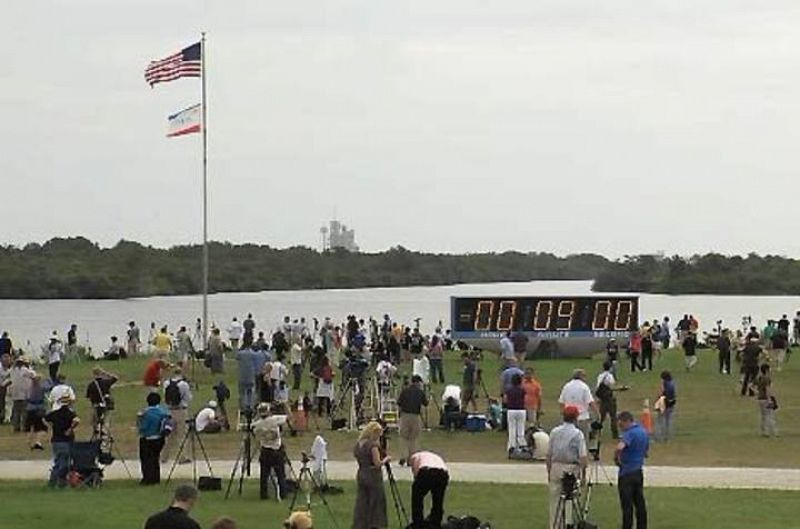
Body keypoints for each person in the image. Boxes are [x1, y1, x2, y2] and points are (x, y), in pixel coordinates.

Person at [546, 405, 588, 529]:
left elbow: (549, 454)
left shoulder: (554, 431)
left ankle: (555, 525)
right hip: (571, 468)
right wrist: (583, 475)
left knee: (555, 501)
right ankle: (569, 523)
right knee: (571, 499)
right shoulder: (577, 434)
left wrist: (549, 471)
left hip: (556, 466)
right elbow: (583, 457)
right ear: (576, 418)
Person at [352, 421, 389, 529]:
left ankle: (360, 524)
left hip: (362, 473)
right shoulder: (372, 446)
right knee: (376, 501)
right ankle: (375, 524)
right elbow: (377, 463)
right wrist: (386, 459)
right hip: (373, 475)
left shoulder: (359, 444)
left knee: (362, 501)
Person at [615, 411, 649, 529]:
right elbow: (646, 452)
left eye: (621, 425)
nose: (621, 428)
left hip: (626, 473)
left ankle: (627, 526)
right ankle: (642, 526)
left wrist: (617, 459)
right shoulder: (643, 431)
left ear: (627, 421)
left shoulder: (629, 434)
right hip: (638, 471)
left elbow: (620, 447)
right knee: (639, 502)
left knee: (627, 505)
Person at [251, 402, 290, 500]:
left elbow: (252, 429)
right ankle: (283, 494)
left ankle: (263, 495)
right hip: (276, 450)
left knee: (264, 476)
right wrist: (286, 406)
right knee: (280, 474)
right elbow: (288, 418)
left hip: (265, 451)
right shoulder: (275, 419)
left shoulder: (258, 424)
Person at [45, 394, 79, 487]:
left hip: (56, 440)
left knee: (58, 461)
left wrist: (50, 426)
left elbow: (45, 418)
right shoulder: (70, 413)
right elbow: (77, 420)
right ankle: (60, 482)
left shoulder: (55, 413)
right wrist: (70, 429)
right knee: (64, 463)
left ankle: (54, 482)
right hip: (66, 441)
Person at [409, 451, 449, 529]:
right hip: (443, 473)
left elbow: (416, 473)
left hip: (427, 471)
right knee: (438, 500)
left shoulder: (414, 457)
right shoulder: (434, 456)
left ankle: (418, 523)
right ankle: (436, 522)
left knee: (417, 497)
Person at [137, 392, 170, 485]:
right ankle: (156, 478)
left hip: (148, 438)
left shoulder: (146, 413)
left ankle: (148, 478)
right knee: (155, 458)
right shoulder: (163, 412)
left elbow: (143, 427)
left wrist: (139, 420)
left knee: (146, 460)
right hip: (160, 438)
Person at [162, 368, 192, 464]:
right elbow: (188, 398)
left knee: (169, 435)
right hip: (181, 410)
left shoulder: (166, 383)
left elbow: (165, 396)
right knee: (182, 435)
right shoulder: (184, 384)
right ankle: (183, 457)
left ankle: (164, 457)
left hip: (169, 411)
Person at [397, 375, 428, 464]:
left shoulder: (405, 391)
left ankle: (403, 455)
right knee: (413, 438)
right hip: (415, 416)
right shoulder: (420, 392)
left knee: (403, 437)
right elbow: (425, 403)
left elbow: (399, 403)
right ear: (418, 383)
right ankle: (411, 458)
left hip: (405, 415)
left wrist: (400, 414)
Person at [558, 369, 598, 437]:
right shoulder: (584, 387)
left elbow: (561, 402)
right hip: (582, 418)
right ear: (581, 376)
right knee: (583, 440)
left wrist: (563, 414)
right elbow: (590, 402)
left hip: (569, 419)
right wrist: (597, 414)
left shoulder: (566, 386)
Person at [85, 366, 118, 433]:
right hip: (107, 404)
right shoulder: (106, 382)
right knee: (107, 418)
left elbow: (88, 396)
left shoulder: (91, 385)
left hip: (96, 405)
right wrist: (105, 373)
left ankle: (96, 427)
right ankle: (104, 429)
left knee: (94, 418)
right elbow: (115, 378)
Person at [9, 357, 35, 432]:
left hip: (15, 394)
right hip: (24, 394)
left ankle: (16, 427)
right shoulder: (25, 370)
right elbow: (33, 375)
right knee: (24, 412)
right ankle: (24, 427)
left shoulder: (12, 370)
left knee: (16, 412)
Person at [596, 360, 619, 439]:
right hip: (609, 399)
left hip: (602, 399)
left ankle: (596, 432)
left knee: (601, 417)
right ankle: (615, 434)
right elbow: (612, 387)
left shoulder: (600, 376)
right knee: (613, 417)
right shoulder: (609, 376)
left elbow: (598, 387)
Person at [25, 374, 48, 450]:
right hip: (39, 409)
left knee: (29, 426)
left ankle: (29, 441)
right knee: (42, 427)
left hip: (30, 408)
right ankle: (38, 441)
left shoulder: (29, 388)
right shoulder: (42, 388)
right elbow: (48, 388)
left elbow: (27, 398)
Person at [504, 373, 527, 453]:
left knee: (512, 429)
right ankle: (522, 444)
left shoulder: (508, 390)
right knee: (521, 428)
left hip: (511, 410)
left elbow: (505, 400)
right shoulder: (523, 390)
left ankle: (512, 446)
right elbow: (525, 399)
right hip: (521, 410)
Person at [755, 364, 777, 437]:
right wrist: (770, 399)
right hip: (765, 398)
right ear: (767, 370)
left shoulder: (759, 378)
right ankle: (772, 431)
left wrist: (757, 392)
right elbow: (768, 389)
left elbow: (751, 386)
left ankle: (763, 431)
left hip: (760, 399)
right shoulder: (767, 379)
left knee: (763, 416)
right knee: (770, 415)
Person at [654, 370, 676, 442]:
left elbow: (661, 393)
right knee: (669, 420)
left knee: (659, 420)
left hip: (664, 403)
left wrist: (657, 400)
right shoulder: (672, 383)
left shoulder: (664, 383)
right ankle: (668, 436)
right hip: (671, 403)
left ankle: (659, 437)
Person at [236, 345, 257, 412]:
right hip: (251, 375)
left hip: (242, 375)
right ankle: (250, 406)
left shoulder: (240, 353)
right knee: (250, 392)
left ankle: (243, 407)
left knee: (242, 393)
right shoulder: (254, 354)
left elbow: (236, 357)